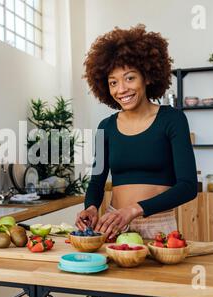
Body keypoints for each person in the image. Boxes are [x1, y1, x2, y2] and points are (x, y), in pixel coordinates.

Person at [75, 24, 198, 240]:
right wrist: (92, 207)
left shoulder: (172, 119)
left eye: (129, 78)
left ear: (148, 77)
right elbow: (97, 181)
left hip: (158, 226)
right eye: (113, 82)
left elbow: (188, 187)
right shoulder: (106, 127)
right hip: (113, 224)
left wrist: (133, 210)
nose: (121, 89)